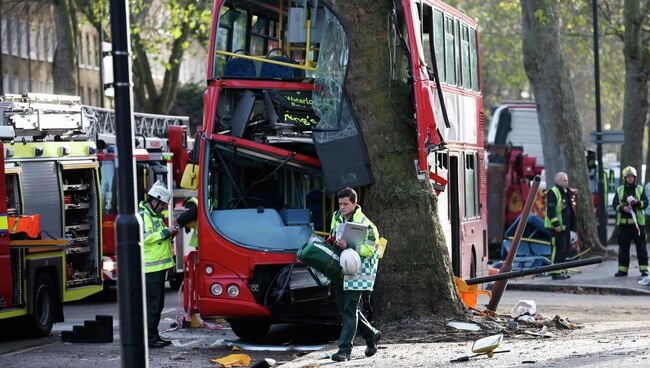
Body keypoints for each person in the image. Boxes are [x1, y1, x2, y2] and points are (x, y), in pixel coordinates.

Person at [328, 187, 381, 362]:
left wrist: (349, 247)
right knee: (347, 309)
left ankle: (344, 351)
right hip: (343, 267)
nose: (341, 207)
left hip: (361, 271)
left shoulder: (366, 224)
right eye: (340, 204)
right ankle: (372, 335)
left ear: (354, 203)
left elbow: (370, 249)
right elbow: (333, 235)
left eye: (345, 204)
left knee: (349, 310)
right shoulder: (337, 217)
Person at [140, 181, 178, 348]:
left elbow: (158, 238)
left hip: (157, 268)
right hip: (150, 268)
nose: (163, 207)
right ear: (154, 200)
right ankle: (149, 338)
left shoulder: (153, 216)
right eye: (162, 204)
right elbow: (146, 237)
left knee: (156, 305)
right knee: (153, 306)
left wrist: (169, 233)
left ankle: (153, 335)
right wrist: (166, 232)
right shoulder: (144, 216)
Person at [612, 166, 648, 277]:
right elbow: (614, 205)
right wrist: (623, 208)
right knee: (623, 249)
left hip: (638, 226)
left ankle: (644, 270)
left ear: (635, 177)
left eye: (632, 176)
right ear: (624, 178)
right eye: (628, 176)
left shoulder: (640, 189)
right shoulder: (620, 190)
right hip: (624, 226)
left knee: (641, 248)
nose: (630, 178)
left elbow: (645, 203)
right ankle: (622, 270)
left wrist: (637, 202)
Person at [544, 172, 575, 280]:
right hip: (556, 228)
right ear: (557, 181)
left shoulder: (565, 192)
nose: (566, 182)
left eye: (567, 180)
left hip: (565, 228)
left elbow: (569, 211)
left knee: (564, 249)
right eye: (564, 180)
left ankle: (561, 270)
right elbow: (551, 210)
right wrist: (556, 224)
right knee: (557, 249)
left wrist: (572, 226)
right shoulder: (553, 192)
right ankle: (555, 272)